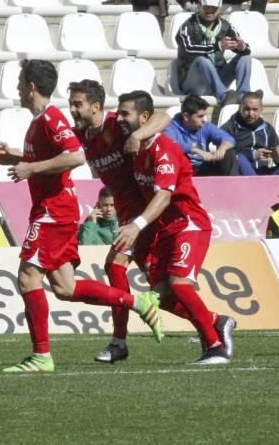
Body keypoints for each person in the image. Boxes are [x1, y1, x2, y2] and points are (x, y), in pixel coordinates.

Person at [0, 60, 163, 373]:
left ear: (31, 86)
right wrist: (14, 156)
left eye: (19, 82)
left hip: (54, 211)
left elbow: (75, 155)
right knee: (65, 288)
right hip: (51, 208)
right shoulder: (41, 121)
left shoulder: (51, 117)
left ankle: (41, 355)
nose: (16, 87)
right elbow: (49, 156)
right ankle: (137, 302)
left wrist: (30, 168)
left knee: (28, 276)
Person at [114, 90, 235, 365]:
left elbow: (165, 195)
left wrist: (137, 225)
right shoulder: (136, 147)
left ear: (144, 118)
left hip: (188, 222)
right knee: (163, 298)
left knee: (180, 285)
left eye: (125, 114)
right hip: (166, 229)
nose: (119, 119)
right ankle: (218, 321)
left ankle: (215, 348)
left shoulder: (163, 149)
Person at [69, 78, 171, 363]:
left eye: (78, 105)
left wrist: (137, 137)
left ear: (96, 106)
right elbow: (55, 155)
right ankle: (212, 323)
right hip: (128, 212)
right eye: (71, 105)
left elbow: (164, 116)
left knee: (114, 266)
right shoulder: (83, 135)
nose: (73, 111)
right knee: (159, 281)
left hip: (144, 211)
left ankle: (119, 342)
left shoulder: (117, 124)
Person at [176, 0, 251, 104]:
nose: (210, 11)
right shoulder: (188, 26)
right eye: (206, 7)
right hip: (192, 80)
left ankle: (244, 96)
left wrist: (241, 47)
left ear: (219, 9)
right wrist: (218, 46)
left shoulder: (225, 26)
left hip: (218, 76)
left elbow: (247, 50)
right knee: (202, 60)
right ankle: (223, 96)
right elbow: (189, 48)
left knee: (245, 58)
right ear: (199, 6)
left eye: (214, 8)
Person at [164, 94, 239, 177]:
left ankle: (231, 185)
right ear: (186, 116)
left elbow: (230, 139)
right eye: (200, 116)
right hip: (182, 169)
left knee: (229, 152)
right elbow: (168, 145)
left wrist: (222, 149)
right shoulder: (170, 127)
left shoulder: (205, 126)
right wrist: (196, 150)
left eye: (204, 115)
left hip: (203, 167)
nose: (204, 119)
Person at [221, 90, 279, 176]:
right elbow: (227, 154)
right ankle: (254, 185)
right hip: (242, 175)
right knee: (240, 159)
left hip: (266, 173)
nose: (251, 114)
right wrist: (253, 155)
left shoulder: (268, 129)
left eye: (255, 109)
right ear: (240, 108)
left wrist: (278, 157)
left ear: (261, 110)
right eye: (247, 109)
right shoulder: (229, 128)